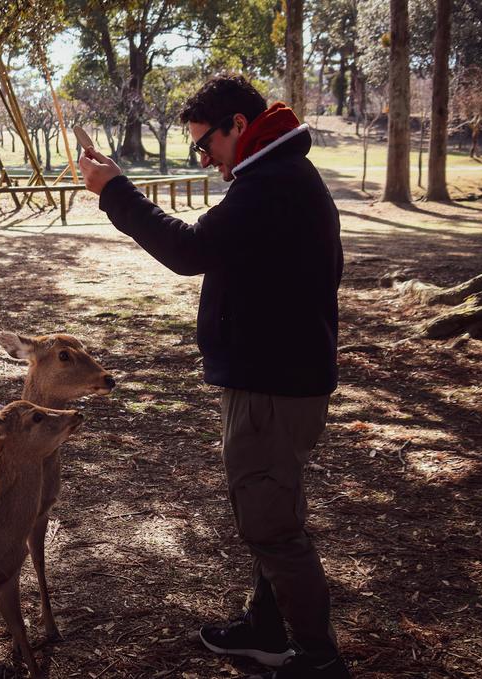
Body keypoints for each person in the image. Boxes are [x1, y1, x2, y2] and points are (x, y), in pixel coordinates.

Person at [78, 75, 349, 679]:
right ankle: (264, 627)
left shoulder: (272, 185)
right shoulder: (277, 176)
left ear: (240, 126)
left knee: (271, 525)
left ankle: (318, 660)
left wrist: (115, 192)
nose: (205, 158)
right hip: (279, 379)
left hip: (272, 388)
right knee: (271, 509)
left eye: (207, 144)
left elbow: (189, 250)